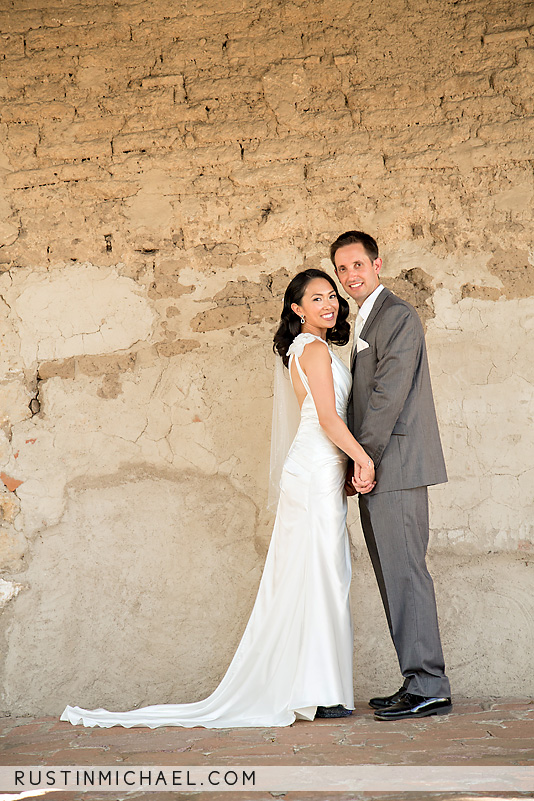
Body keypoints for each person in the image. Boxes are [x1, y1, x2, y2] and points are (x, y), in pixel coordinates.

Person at [60, 269, 375, 729]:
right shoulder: (311, 349)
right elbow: (327, 418)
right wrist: (362, 459)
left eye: (332, 296)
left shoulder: (310, 349)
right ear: (297, 309)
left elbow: (322, 419)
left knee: (319, 574)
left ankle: (319, 688)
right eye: (316, 298)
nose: (329, 303)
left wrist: (345, 464)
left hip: (318, 469)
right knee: (323, 574)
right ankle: (320, 691)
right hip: (313, 470)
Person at [331, 230, 452, 721]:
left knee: (406, 574)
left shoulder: (397, 316)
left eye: (357, 264)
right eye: (341, 269)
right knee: (393, 577)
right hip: (381, 468)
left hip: (394, 466)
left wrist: (363, 458)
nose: (350, 275)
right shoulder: (366, 318)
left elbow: (386, 396)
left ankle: (429, 684)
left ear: (377, 265)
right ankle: (415, 680)